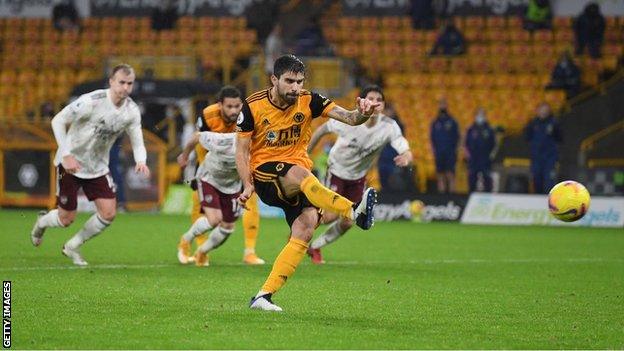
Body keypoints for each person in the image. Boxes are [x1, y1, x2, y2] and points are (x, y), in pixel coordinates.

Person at [236, 54, 378, 311]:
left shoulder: (309, 100)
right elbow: (241, 150)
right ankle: (353, 210)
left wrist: (363, 113)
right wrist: (247, 184)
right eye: (289, 81)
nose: (295, 87)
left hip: (296, 171)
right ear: (274, 79)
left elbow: (349, 118)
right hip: (266, 174)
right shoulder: (252, 106)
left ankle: (263, 296)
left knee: (306, 226)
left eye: (299, 81)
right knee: (302, 175)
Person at [30, 64, 150, 266]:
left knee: (109, 213)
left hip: (97, 167)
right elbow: (58, 121)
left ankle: (72, 246)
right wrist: (66, 154)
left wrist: (141, 161)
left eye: (130, 84)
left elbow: (137, 140)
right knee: (65, 219)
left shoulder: (131, 111)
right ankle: (41, 223)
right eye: (121, 82)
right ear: (111, 81)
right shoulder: (91, 101)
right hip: (71, 164)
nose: (126, 88)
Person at [306, 85, 413, 264]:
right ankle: (300, 231)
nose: (375, 103)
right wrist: (305, 154)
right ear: (362, 101)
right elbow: (321, 130)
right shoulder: (349, 119)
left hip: (358, 177)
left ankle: (315, 247)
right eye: (371, 98)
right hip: (337, 170)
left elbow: (403, 145)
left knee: (349, 221)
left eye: (379, 100)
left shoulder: (389, 126)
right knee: (330, 216)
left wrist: (406, 156)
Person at [178, 86, 265, 265]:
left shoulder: (252, 130)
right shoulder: (220, 134)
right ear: (220, 106)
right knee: (211, 217)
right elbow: (198, 139)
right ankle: (187, 241)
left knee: (229, 226)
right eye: (229, 106)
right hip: (210, 173)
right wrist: (187, 157)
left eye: (237, 106)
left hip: (234, 179)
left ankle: (210, 251)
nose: (234, 110)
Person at [176, 131, 242, 266]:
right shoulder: (225, 140)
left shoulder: (259, 148)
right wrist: (185, 155)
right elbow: (197, 136)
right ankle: (186, 240)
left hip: (232, 186)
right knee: (214, 220)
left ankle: (202, 252)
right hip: (209, 178)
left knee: (228, 227)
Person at [524, 102, 562, 194]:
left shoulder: (554, 123)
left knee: (549, 180)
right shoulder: (533, 123)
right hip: (537, 157)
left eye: (546, 110)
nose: (543, 113)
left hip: (550, 157)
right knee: (536, 178)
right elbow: (527, 137)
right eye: (542, 110)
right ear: (537, 111)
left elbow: (560, 138)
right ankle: (537, 199)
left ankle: (550, 200)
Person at [430, 98, 459, 193]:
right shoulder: (435, 122)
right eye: (440, 104)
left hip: (450, 152)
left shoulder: (452, 121)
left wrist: (456, 150)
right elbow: (432, 138)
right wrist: (434, 150)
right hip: (439, 152)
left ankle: (452, 195)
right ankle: (441, 196)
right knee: (440, 174)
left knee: (450, 174)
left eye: (444, 104)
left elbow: (458, 137)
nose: (442, 106)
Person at [464, 108, 496, 192]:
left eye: (482, 114)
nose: (480, 116)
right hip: (473, 158)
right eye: (479, 114)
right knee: (472, 178)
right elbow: (466, 143)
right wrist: (468, 154)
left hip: (485, 157)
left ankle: (488, 195)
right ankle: (471, 194)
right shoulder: (471, 129)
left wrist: (490, 154)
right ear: (475, 116)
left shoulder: (489, 130)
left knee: (487, 178)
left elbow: (493, 144)